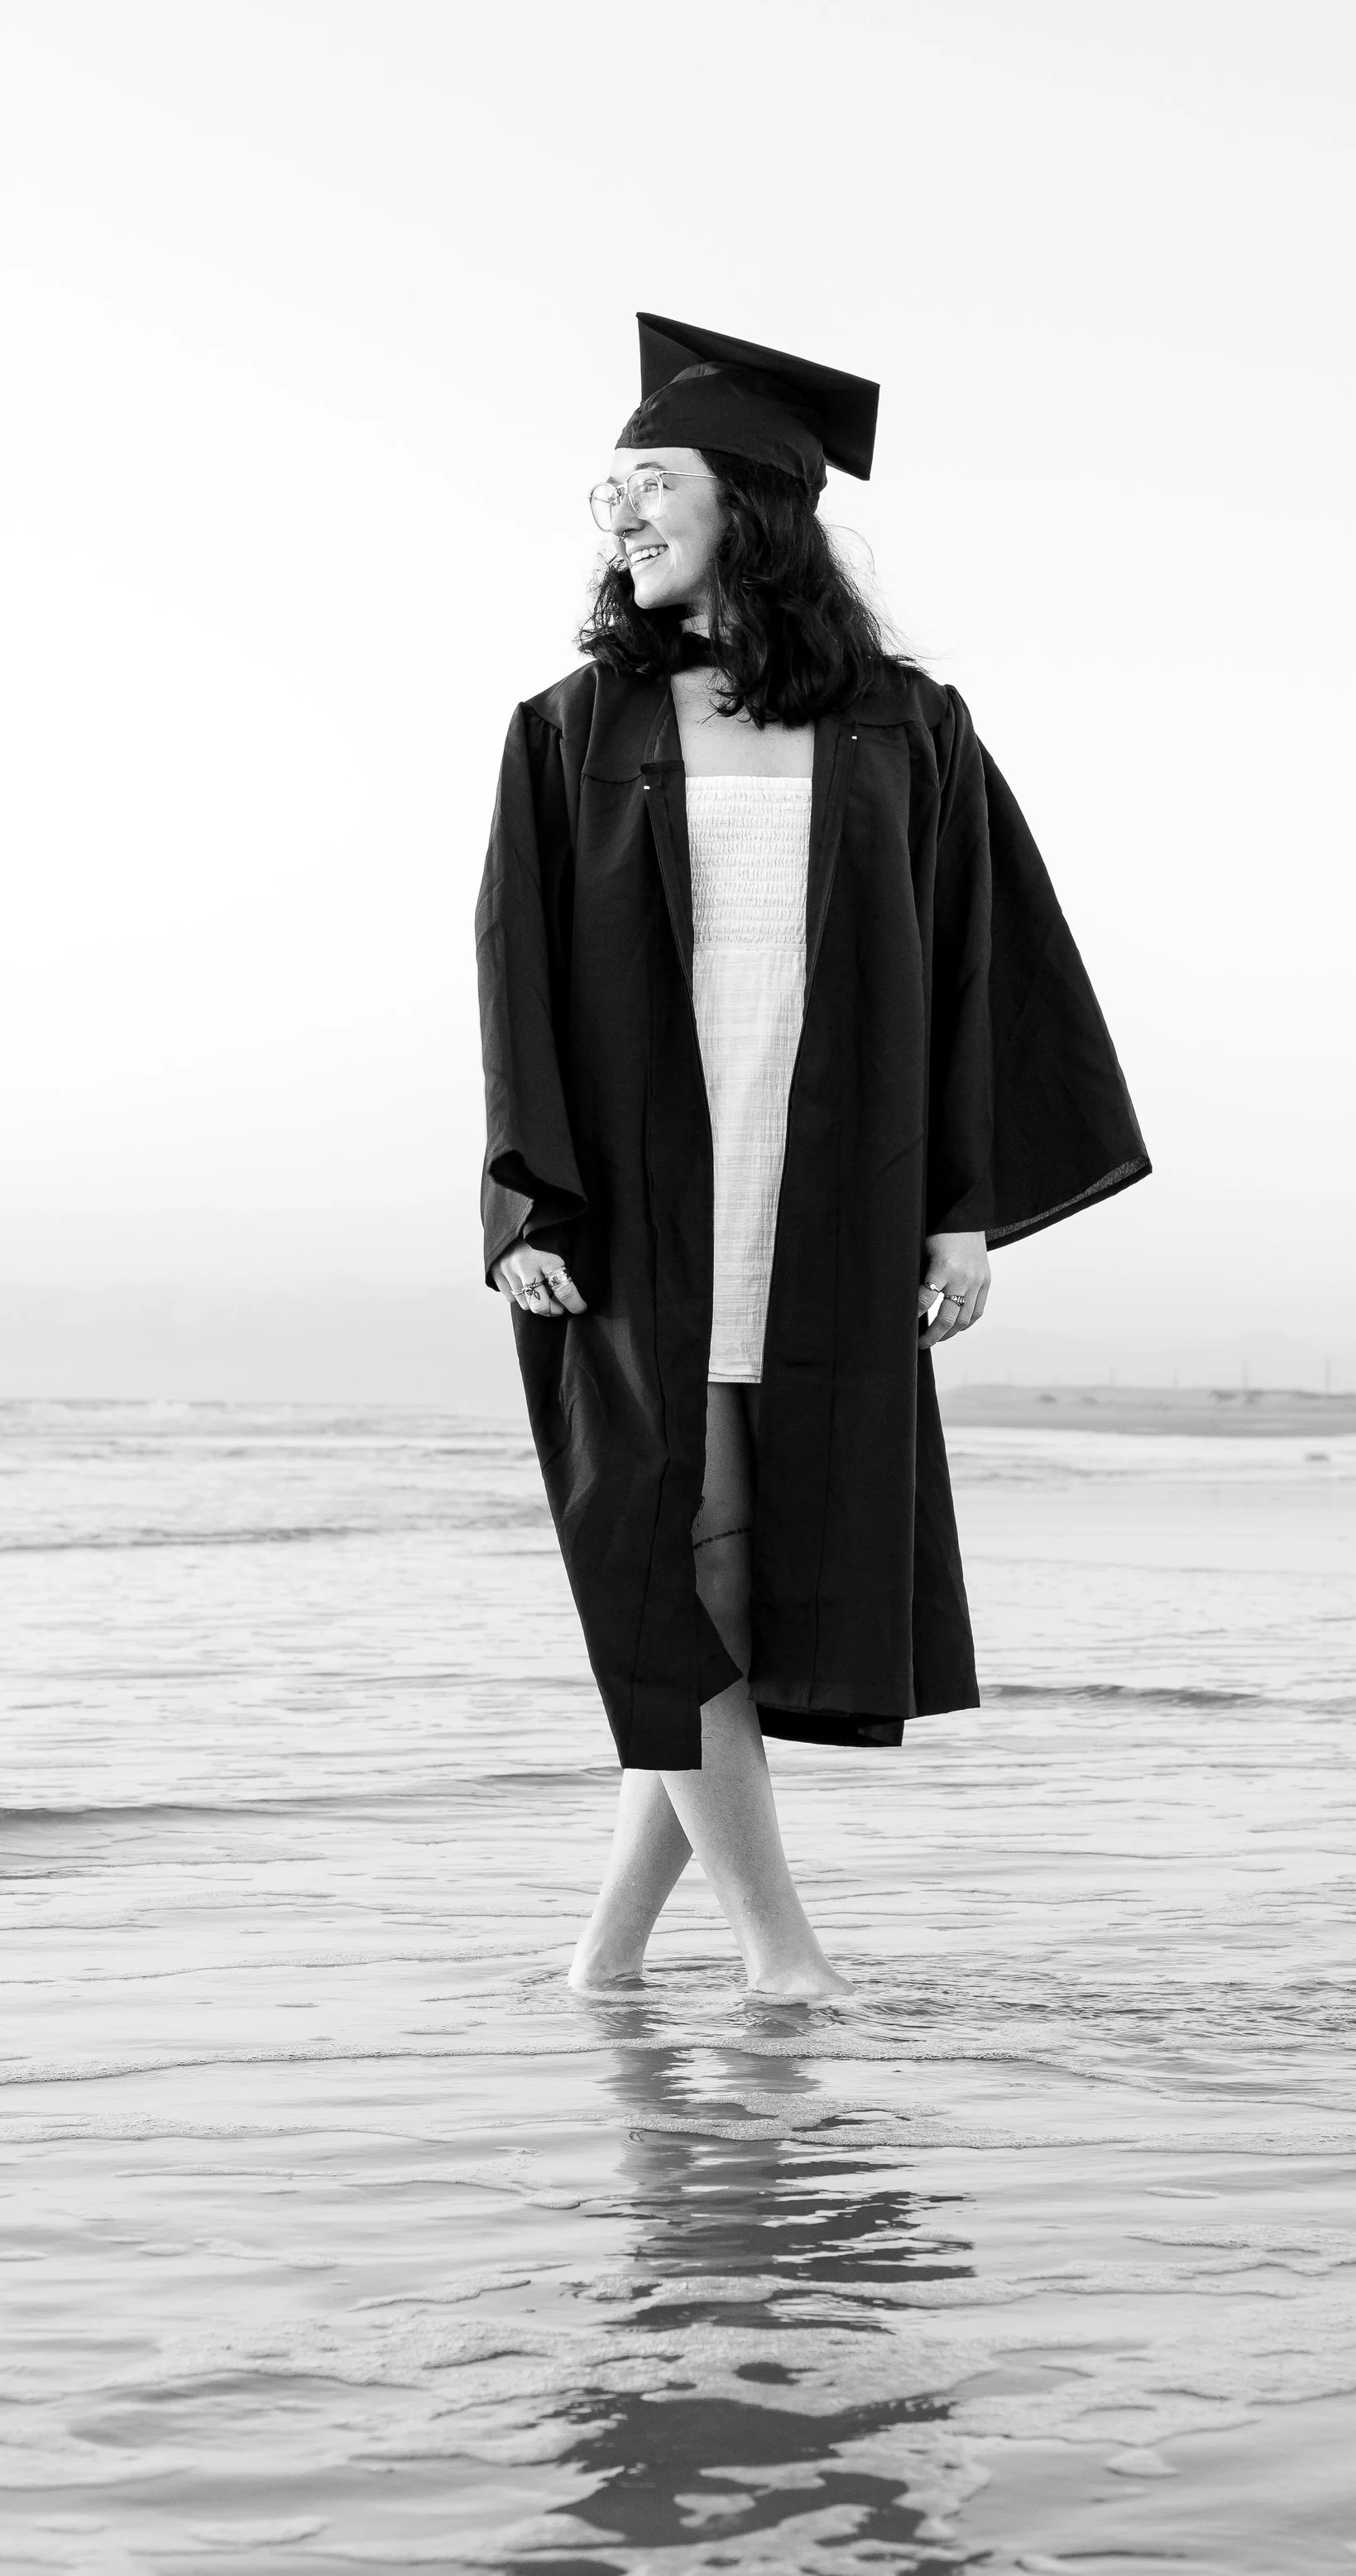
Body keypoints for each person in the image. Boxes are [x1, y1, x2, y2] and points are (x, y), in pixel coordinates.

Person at [477, 314, 1149, 1999]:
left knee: (722, 1578)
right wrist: (522, 1203)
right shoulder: (568, 730)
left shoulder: (906, 728)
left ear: (754, 500)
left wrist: (959, 1212)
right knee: (674, 1562)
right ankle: (786, 1960)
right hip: (641, 1209)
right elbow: (515, 981)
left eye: (651, 482)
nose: (620, 515)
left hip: (827, 1199)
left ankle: (604, 1960)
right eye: (607, 493)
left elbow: (980, 965)